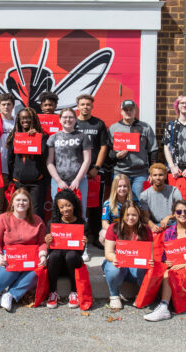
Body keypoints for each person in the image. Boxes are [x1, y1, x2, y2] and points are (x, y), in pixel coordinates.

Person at [0, 188, 47, 314]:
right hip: (5, 257)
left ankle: (10, 295)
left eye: (24, 200)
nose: (21, 203)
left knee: (40, 269)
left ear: (29, 203)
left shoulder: (37, 221)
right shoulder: (2, 219)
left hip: (28, 258)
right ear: (12, 202)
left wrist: (42, 255)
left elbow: (42, 242)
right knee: (12, 266)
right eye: (18, 200)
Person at [143, 200, 186, 321]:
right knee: (165, 272)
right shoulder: (169, 232)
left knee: (170, 274)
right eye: (179, 211)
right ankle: (164, 306)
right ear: (174, 214)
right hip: (176, 267)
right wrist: (166, 262)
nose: (182, 214)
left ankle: (164, 306)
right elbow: (165, 256)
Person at [102, 201, 153, 309]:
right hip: (119, 264)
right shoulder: (113, 228)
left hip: (136, 267)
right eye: (127, 215)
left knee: (147, 268)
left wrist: (150, 260)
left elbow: (150, 254)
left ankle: (141, 294)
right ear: (122, 215)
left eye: (134, 215)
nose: (131, 218)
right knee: (112, 268)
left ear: (139, 216)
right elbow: (108, 253)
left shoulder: (146, 230)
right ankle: (114, 295)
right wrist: (115, 258)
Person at [75, 94, 109, 252]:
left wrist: (96, 167)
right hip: (75, 173)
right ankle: (76, 237)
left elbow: (103, 147)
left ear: (92, 106)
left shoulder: (99, 124)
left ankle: (95, 237)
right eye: (82, 104)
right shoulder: (72, 122)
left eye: (88, 104)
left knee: (95, 207)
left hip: (95, 172)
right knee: (76, 205)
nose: (85, 107)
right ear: (78, 106)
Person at [46, 107, 92, 221]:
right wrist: (58, 181)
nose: (68, 119)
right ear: (60, 120)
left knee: (80, 211)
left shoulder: (83, 137)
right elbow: (49, 162)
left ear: (75, 119)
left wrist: (77, 180)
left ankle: (81, 238)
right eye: (65, 117)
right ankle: (60, 237)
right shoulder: (53, 138)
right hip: (59, 182)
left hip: (79, 181)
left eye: (71, 117)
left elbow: (87, 160)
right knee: (59, 211)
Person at [44, 189, 87, 309]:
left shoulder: (81, 224)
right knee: (54, 255)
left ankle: (74, 292)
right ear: (58, 208)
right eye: (61, 207)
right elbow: (50, 252)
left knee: (71, 255)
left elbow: (80, 253)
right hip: (57, 265)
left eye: (68, 205)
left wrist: (83, 244)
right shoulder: (52, 223)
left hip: (73, 264)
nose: (65, 209)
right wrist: (48, 244)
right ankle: (52, 292)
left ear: (74, 204)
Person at [108, 100, 158, 200]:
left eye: (131, 109)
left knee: (139, 202)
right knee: (119, 202)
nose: (128, 112)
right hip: (120, 172)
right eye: (125, 110)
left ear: (135, 111)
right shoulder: (113, 128)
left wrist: (152, 172)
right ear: (121, 112)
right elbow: (108, 153)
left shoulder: (145, 127)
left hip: (140, 173)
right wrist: (116, 156)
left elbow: (153, 150)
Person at [7, 107, 49, 218]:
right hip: (20, 181)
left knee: (36, 211)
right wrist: (13, 177)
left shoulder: (42, 136)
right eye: (23, 118)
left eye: (28, 118)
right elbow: (10, 160)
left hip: (37, 182)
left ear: (34, 119)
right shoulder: (14, 137)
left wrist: (36, 138)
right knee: (20, 211)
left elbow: (45, 156)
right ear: (19, 120)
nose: (25, 121)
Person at [139, 163, 182, 233]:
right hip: (154, 224)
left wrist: (168, 217)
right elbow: (145, 216)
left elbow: (181, 210)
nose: (158, 178)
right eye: (155, 175)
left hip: (173, 223)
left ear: (165, 176)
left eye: (161, 175)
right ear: (151, 177)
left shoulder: (174, 191)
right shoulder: (144, 195)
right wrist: (152, 225)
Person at [99, 174, 135, 245]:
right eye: (119, 186)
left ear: (128, 188)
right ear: (115, 188)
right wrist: (117, 230)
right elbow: (104, 224)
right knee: (103, 233)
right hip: (114, 230)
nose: (122, 189)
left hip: (129, 230)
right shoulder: (108, 204)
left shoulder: (133, 204)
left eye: (125, 186)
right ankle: (110, 252)